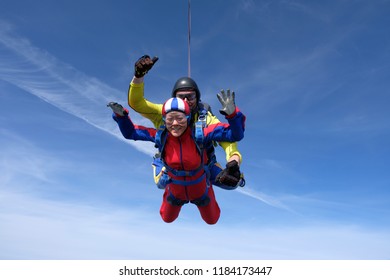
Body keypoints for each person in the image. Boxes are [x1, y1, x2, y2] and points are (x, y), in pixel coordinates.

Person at [108, 91, 245, 224]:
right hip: (175, 191)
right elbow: (131, 133)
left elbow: (234, 135)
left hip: (201, 189)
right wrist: (121, 117)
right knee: (167, 218)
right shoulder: (161, 136)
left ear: (188, 117)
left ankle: (223, 180)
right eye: (170, 119)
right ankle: (159, 166)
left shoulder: (201, 133)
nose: (175, 124)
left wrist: (233, 115)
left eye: (179, 118)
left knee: (212, 220)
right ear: (164, 119)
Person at [127, 55, 244, 190]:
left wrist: (233, 163)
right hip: (171, 163)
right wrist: (138, 76)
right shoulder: (164, 112)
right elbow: (137, 103)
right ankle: (161, 165)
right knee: (163, 183)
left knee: (231, 183)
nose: (186, 101)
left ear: (197, 98)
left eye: (191, 96)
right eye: (181, 97)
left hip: (202, 164)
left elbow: (228, 141)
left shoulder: (206, 118)